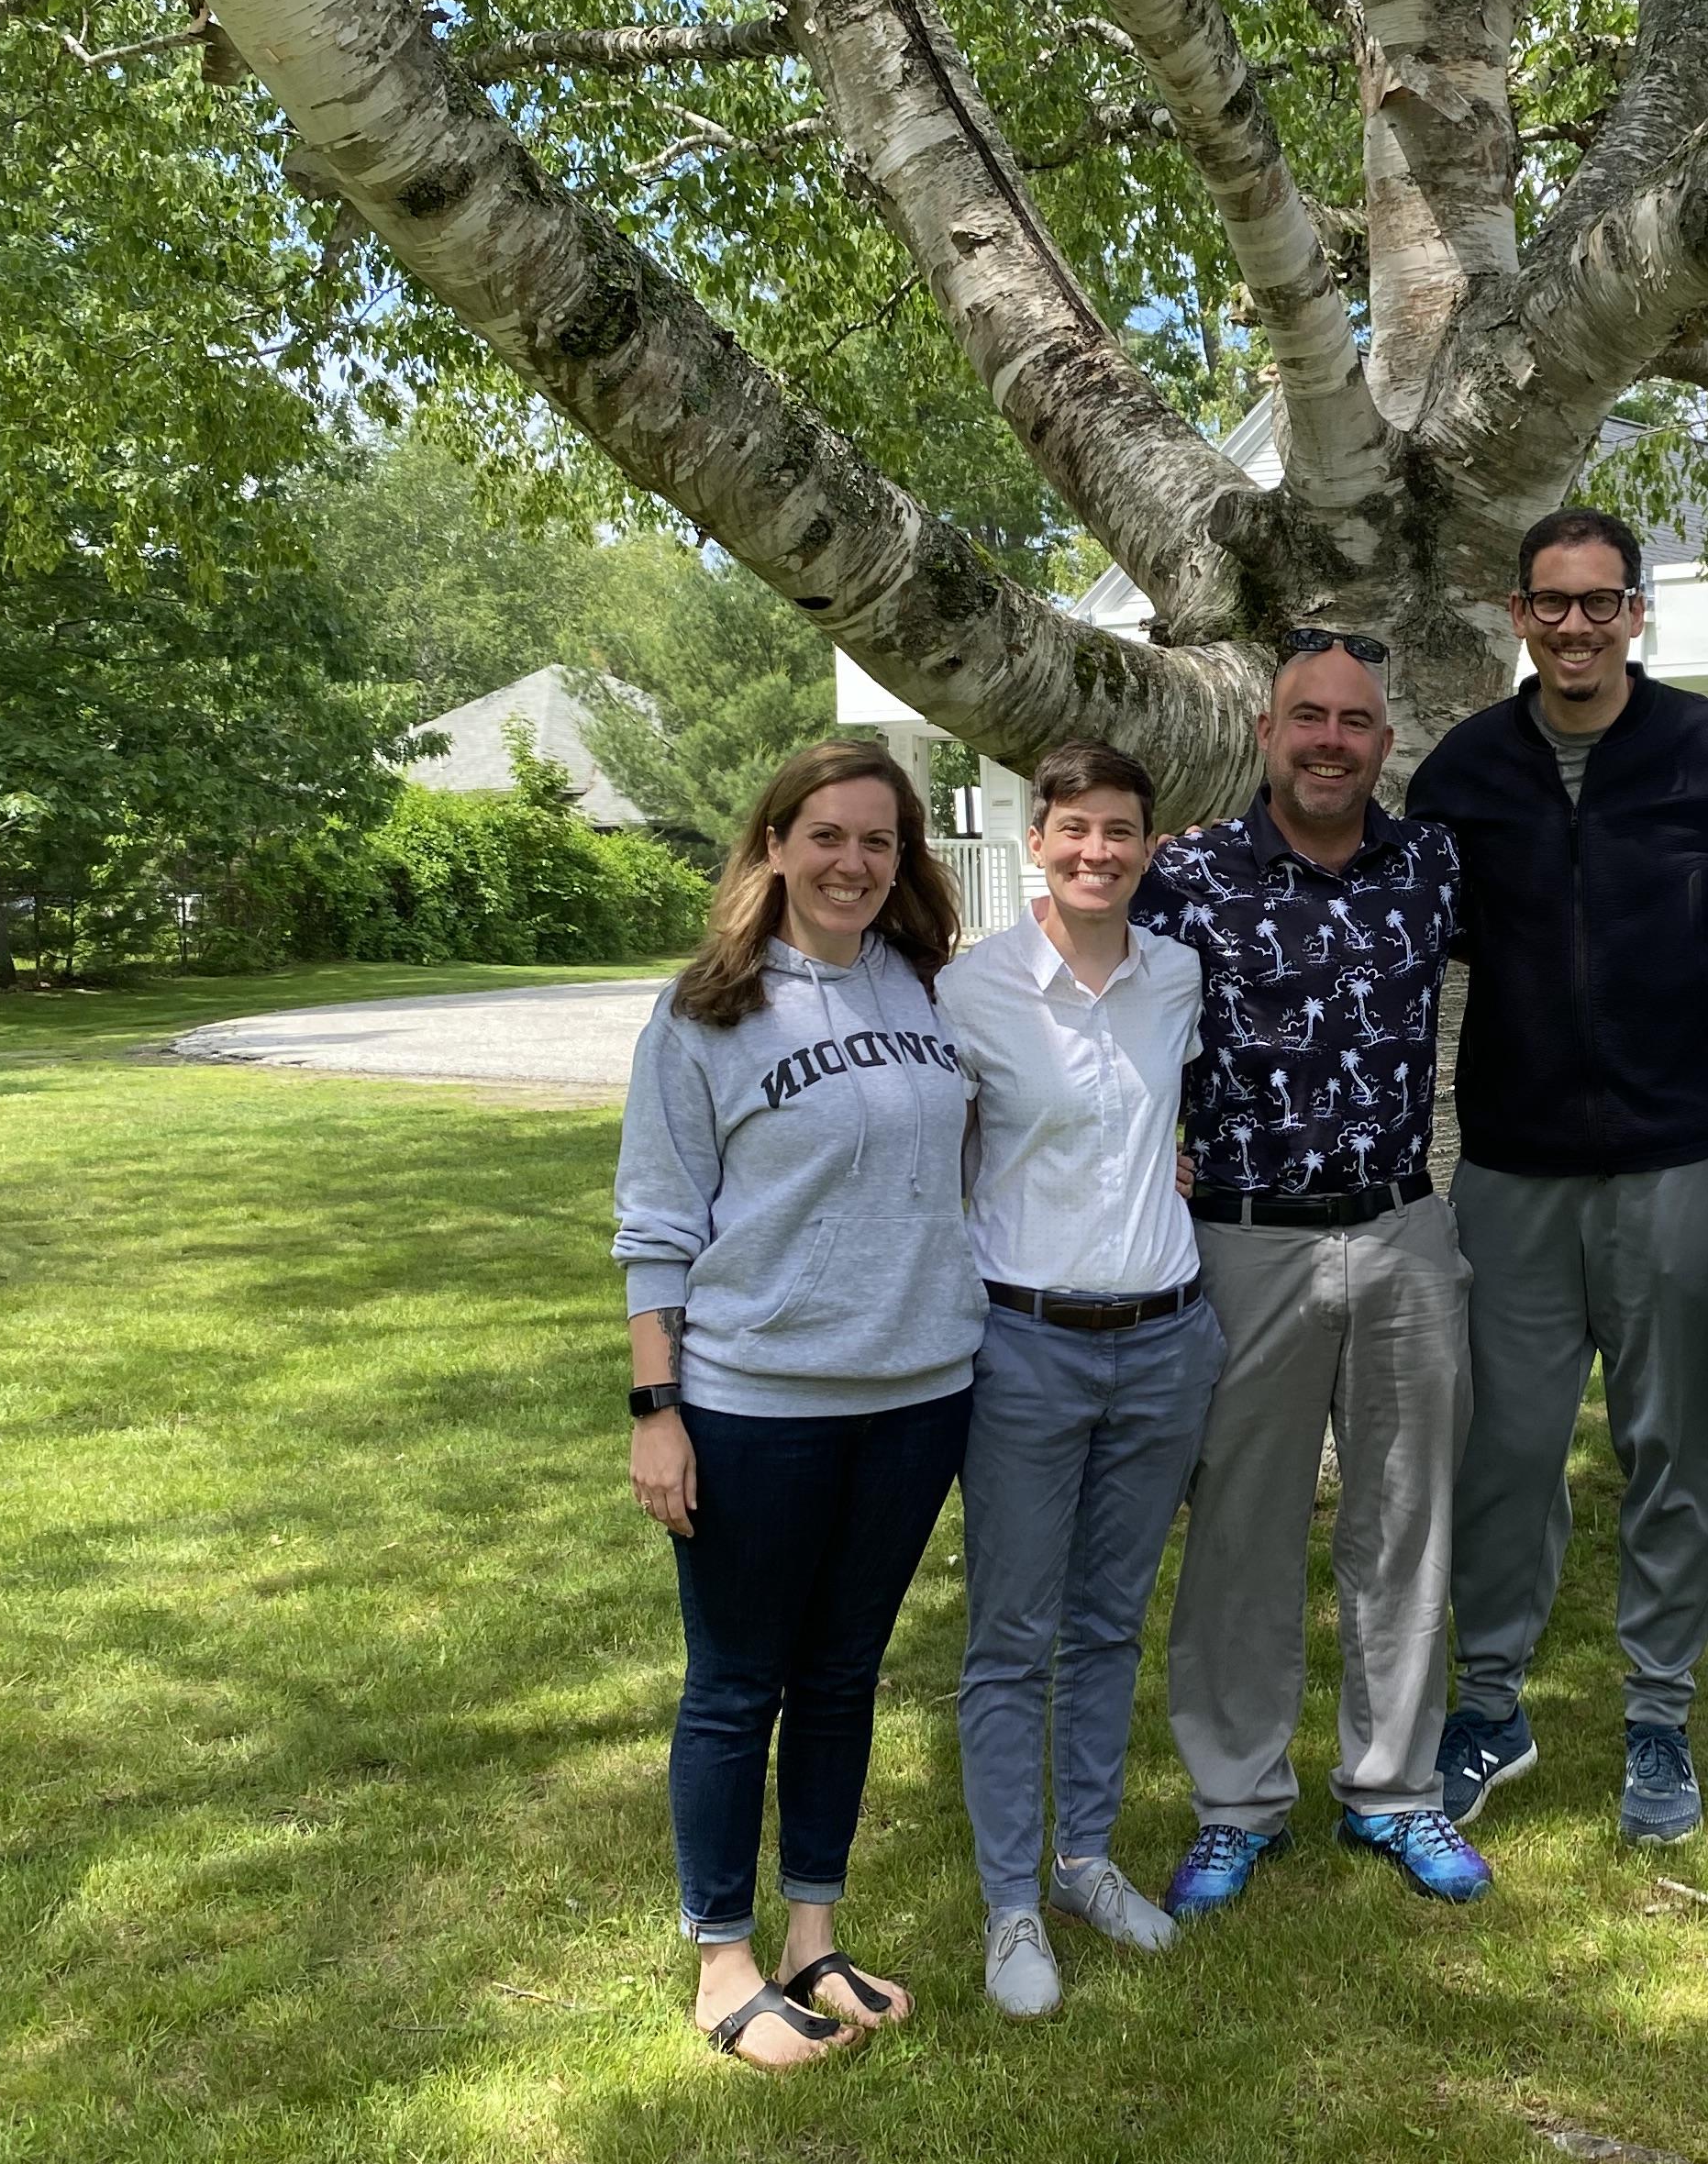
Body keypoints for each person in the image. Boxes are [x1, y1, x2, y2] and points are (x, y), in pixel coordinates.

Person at [614, 738, 987, 2069]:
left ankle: (813, 1939)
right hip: (755, 1403)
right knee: (735, 1684)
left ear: (906, 860)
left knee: (842, 1678)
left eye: (878, 841)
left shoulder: (931, 987)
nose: (851, 862)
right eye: (826, 835)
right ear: (773, 844)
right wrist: (658, 1407)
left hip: (920, 1390)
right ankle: (722, 1965)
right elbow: (655, 1226)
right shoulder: (708, 1010)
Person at [1411, 506, 1708, 1848]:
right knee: (1501, 1448)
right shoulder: (1466, 772)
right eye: (1550, 603)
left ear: (1636, 611)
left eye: (1600, 602)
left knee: (1671, 1445)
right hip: (1510, 1169)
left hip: (1674, 1161)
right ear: (1517, 614)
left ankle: (1658, 1714)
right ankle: (1489, 1704)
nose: (1574, 626)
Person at [1131, 633, 1492, 1911]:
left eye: (1354, 721)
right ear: (1268, 734)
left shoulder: (1434, 869)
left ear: (1386, 743)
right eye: (1307, 717)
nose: (1330, 739)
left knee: (1408, 1523)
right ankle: (1236, 1801)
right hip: (1244, 1237)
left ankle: (1396, 1791)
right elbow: (1107, 1026)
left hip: (1402, 1232)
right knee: (1241, 1526)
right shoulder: (1186, 877)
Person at [937, 742, 1226, 2019]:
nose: (1096, 851)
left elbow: (1184, 1124)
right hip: (1026, 1347)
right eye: (1073, 830)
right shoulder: (971, 990)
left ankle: (1085, 1862)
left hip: (1166, 1340)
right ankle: (1010, 1907)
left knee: (1111, 1620)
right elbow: (931, 1161)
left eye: (1121, 831)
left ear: (1151, 848)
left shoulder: (1179, 974)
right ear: (1035, 837)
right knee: (1011, 1637)